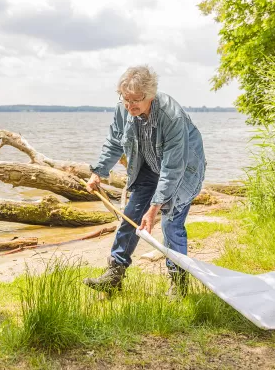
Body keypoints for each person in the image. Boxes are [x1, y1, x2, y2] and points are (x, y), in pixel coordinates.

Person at [84, 65, 206, 295]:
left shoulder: (171, 115)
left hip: (183, 170)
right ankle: (115, 274)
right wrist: (98, 172)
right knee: (131, 215)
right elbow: (113, 142)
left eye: (135, 100)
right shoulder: (123, 110)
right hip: (149, 167)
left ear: (149, 95)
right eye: (125, 98)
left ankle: (178, 284)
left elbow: (172, 168)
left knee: (170, 222)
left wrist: (155, 207)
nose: (129, 105)